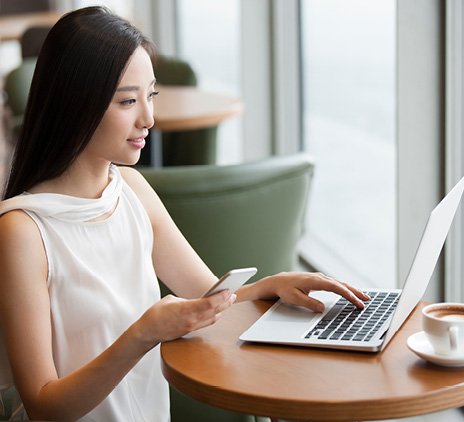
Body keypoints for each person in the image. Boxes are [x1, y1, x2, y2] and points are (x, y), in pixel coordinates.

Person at [0, 6, 369, 422]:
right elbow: (44, 405)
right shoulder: (23, 231)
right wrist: (142, 334)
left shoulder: (132, 189)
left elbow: (206, 300)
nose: (148, 119)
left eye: (150, 96)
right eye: (127, 101)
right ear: (75, 104)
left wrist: (271, 285)